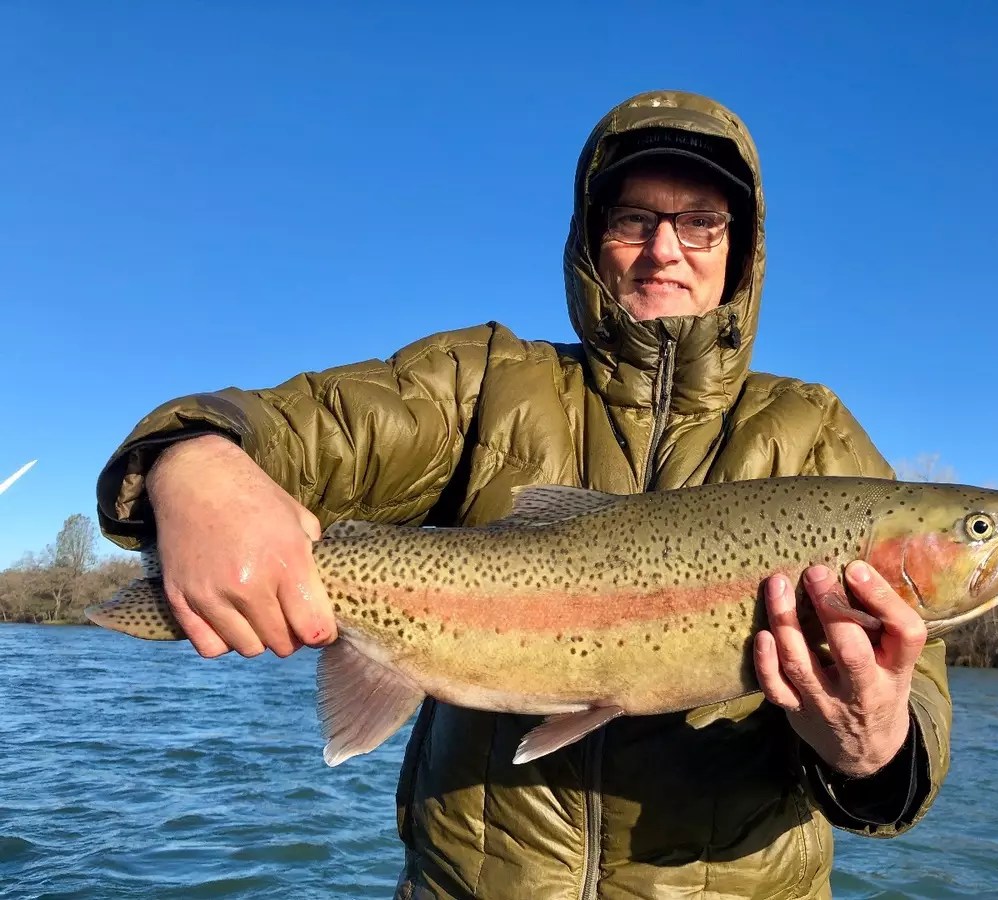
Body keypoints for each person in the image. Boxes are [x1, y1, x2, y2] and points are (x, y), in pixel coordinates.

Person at [96, 90, 952, 900]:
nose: (665, 249)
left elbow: (905, 760)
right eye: (633, 218)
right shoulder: (482, 383)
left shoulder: (816, 433)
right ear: (590, 238)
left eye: (701, 221)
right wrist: (193, 459)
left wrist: (873, 749)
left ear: (741, 248)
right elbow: (305, 426)